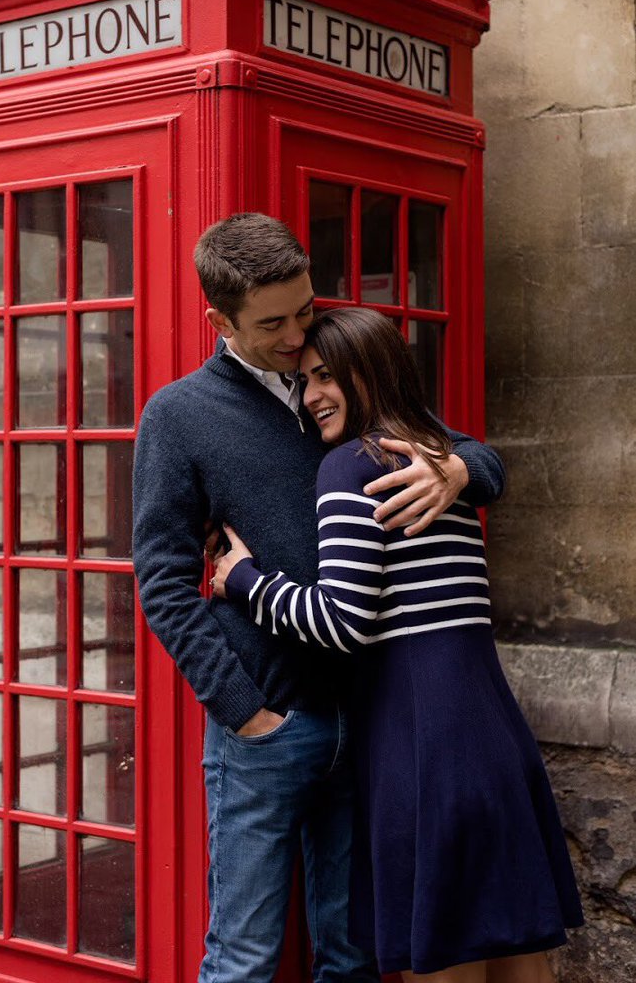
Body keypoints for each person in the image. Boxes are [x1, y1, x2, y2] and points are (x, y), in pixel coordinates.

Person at [133, 213, 506, 983]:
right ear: (219, 320)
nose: (298, 335)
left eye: (305, 310)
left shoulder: (337, 381)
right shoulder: (178, 415)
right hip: (268, 727)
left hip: (366, 715)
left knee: (351, 952)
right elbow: (164, 581)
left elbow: (471, 452)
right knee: (241, 958)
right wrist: (244, 711)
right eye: (273, 323)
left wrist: (462, 474)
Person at [211, 305, 582, 983]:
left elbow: (341, 622)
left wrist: (244, 581)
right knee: (519, 954)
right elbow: (484, 465)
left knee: (434, 959)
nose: (312, 395)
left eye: (327, 376)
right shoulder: (438, 456)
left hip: (421, 745)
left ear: (369, 373)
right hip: (492, 733)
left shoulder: (349, 467)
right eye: (304, 381)